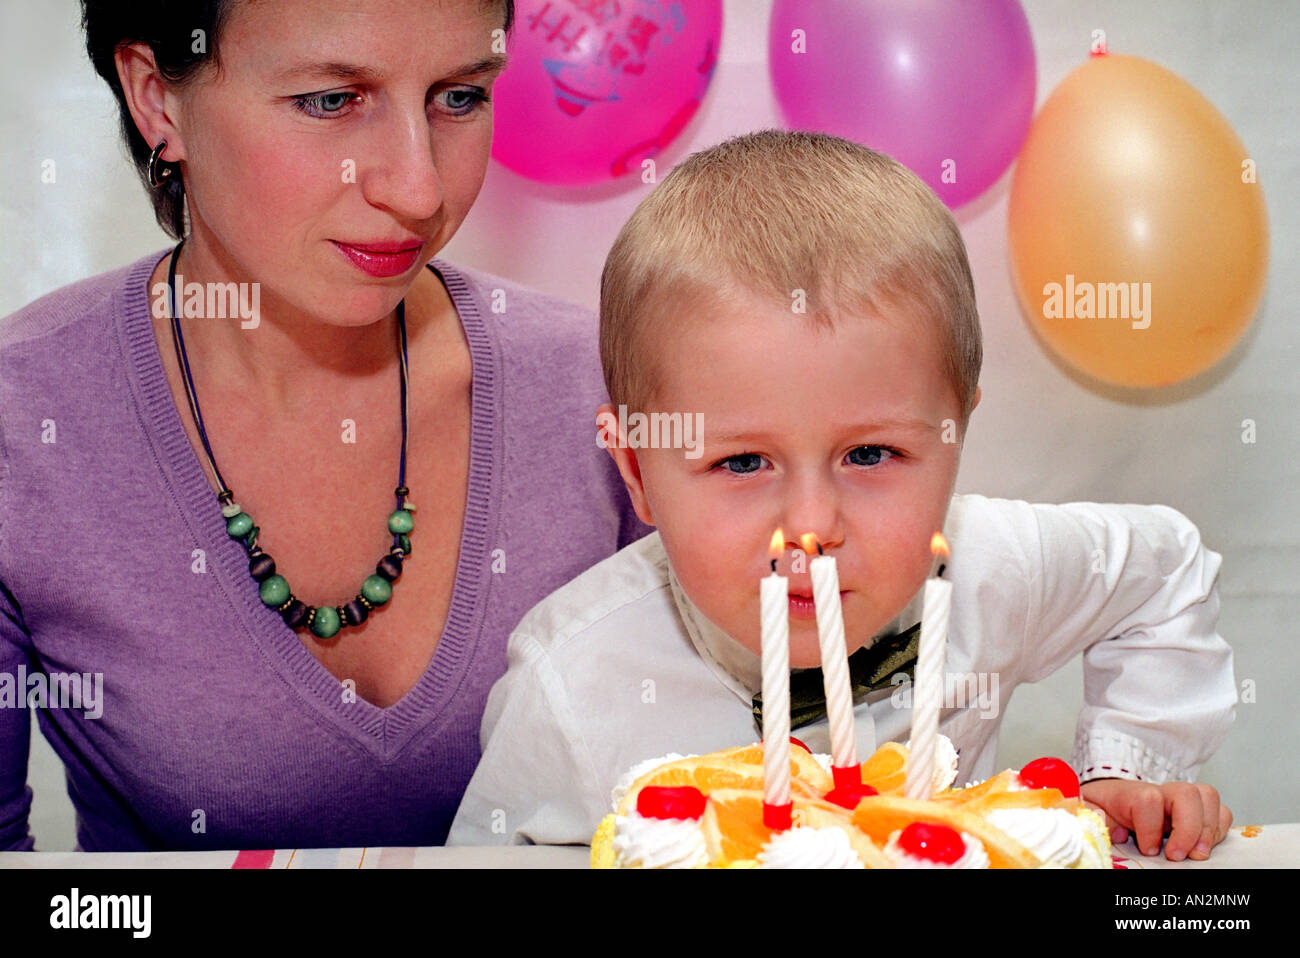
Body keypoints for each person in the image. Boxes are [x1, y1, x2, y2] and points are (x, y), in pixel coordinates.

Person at [448, 130, 1237, 863]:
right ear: (636, 472)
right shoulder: (571, 683)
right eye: (742, 462)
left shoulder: (990, 569)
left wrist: (1123, 769)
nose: (812, 528)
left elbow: (1164, 572)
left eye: (870, 453)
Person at [0, 0, 649, 852]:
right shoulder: (26, 426)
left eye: (458, 96)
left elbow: (739, 794)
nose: (418, 188)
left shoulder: (607, 392)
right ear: (158, 97)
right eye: (331, 101)